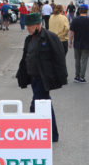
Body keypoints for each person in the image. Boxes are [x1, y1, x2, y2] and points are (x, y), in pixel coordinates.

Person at [15, 12, 67, 142]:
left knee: (36, 105)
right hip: (33, 78)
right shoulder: (29, 39)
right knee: (45, 104)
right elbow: (25, 57)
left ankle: (32, 132)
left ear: (38, 25)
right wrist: (21, 74)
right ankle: (53, 135)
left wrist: (59, 77)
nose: (28, 28)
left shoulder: (50, 37)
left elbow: (59, 58)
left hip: (44, 78)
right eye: (27, 26)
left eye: (30, 26)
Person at [69, 4, 89, 83]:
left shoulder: (75, 20)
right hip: (86, 43)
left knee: (77, 60)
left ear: (79, 10)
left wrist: (70, 42)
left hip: (77, 43)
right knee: (84, 60)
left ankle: (77, 76)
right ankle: (82, 77)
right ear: (87, 11)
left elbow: (72, 32)